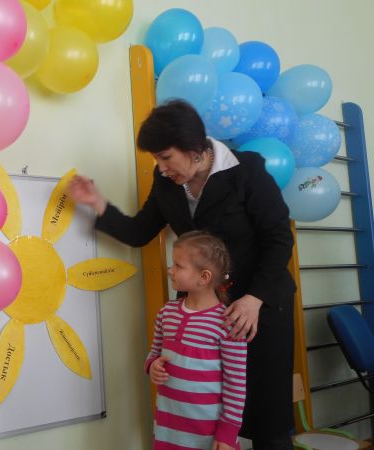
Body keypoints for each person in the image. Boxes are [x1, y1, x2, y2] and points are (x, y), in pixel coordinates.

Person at [69, 100, 296, 450]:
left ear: (194, 149)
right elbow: (139, 232)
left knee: (266, 421)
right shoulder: (166, 183)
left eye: (165, 157)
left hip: (259, 305)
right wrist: (97, 203)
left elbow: (279, 239)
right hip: (202, 311)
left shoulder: (246, 170)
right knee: (201, 416)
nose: (161, 168)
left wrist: (254, 299)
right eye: (156, 160)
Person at [147, 231, 246, 450]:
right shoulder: (166, 313)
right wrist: (152, 366)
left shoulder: (228, 323)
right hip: (168, 430)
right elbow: (153, 354)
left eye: (178, 266)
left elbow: (236, 385)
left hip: (208, 435)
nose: (170, 270)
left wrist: (228, 433)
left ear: (204, 277)